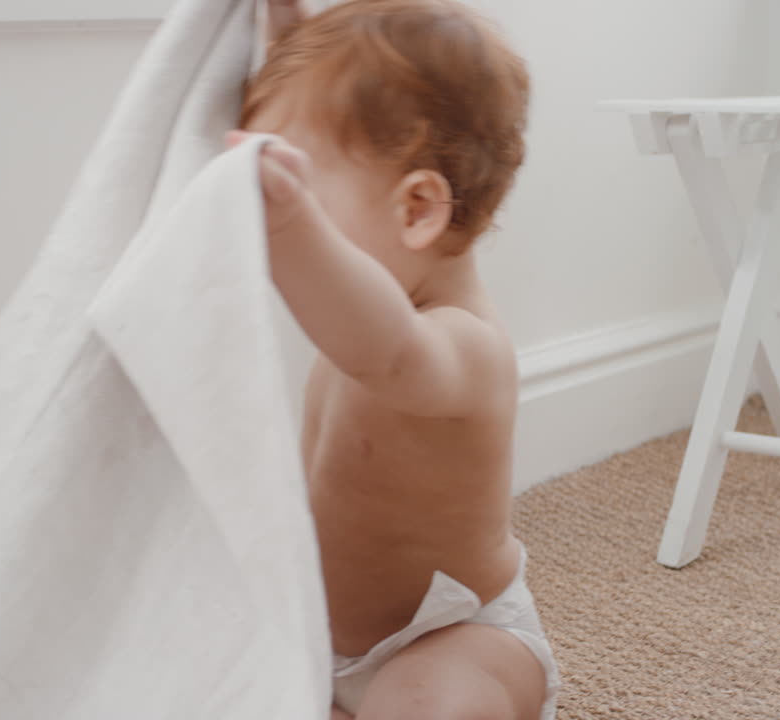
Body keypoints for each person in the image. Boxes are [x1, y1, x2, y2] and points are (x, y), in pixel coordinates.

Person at [227, 1, 559, 718]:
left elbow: (385, 350)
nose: (276, 211)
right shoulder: (375, 289)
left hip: (450, 631)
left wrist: (290, 219)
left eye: (300, 185)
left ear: (417, 211)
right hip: (317, 636)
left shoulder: (461, 344)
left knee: (426, 697)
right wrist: (285, 35)